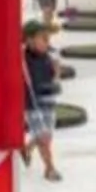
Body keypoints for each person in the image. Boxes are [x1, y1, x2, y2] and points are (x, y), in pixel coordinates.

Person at [21, 17, 63, 182]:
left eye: (47, 38)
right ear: (30, 40)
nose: (46, 42)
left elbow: (55, 76)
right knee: (43, 136)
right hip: (32, 103)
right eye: (42, 38)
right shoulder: (23, 57)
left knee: (46, 136)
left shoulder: (49, 55)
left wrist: (57, 73)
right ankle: (49, 168)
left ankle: (27, 148)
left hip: (48, 100)